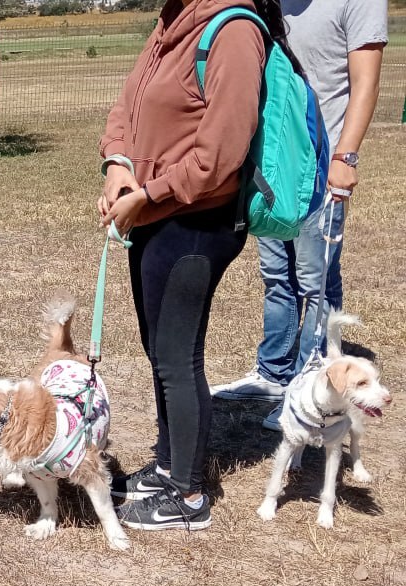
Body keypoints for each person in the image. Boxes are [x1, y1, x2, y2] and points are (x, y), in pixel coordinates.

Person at [97, 0, 292, 531]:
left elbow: (220, 158)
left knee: (178, 358)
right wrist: (118, 165)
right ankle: (167, 465)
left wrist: (148, 194)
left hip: (197, 224)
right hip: (155, 216)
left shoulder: (232, 30)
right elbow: (128, 107)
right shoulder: (172, 19)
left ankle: (186, 495)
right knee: (159, 351)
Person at [210, 0, 388, 431]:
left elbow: (365, 82)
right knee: (276, 277)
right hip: (277, 169)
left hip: (323, 167)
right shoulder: (267, 1)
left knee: (317, 280)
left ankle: (308, 385)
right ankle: (273, 373)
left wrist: (346, 156)